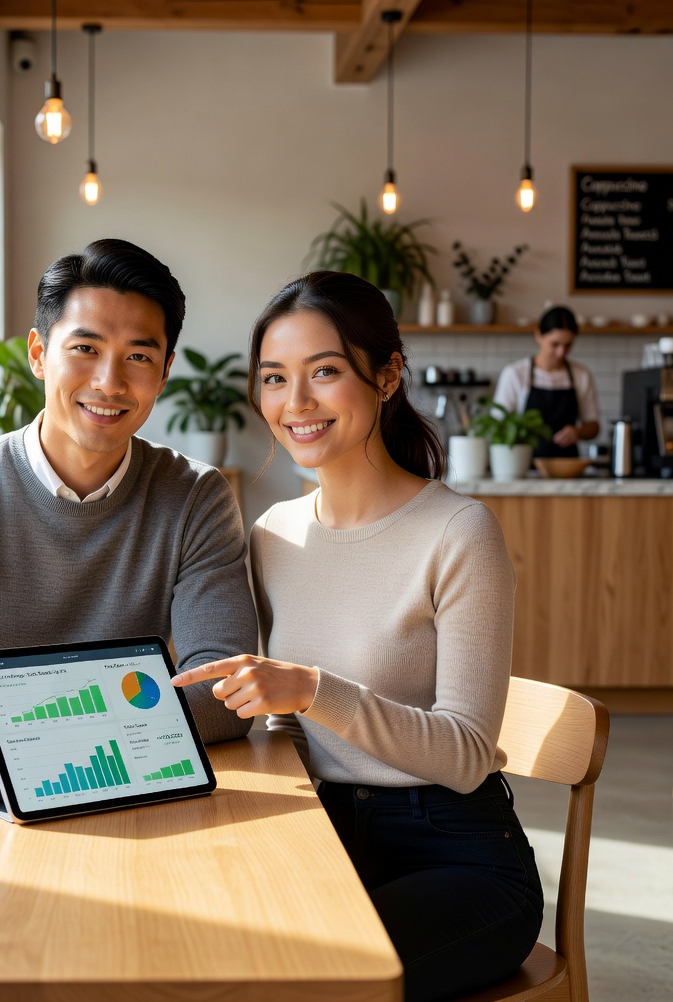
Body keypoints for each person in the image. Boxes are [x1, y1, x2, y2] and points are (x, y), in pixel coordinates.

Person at [172, 271, 543, 1002]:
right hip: (325, 837)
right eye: (274, 378)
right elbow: (285, 729)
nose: (295, 403)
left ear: (387, 375)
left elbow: (468, 754)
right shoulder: (271, 535)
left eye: (326, 372)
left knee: (310, 980)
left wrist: (313, 690)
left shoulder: (459, 533)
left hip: (457, 853)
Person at [0, 238, 257, 759]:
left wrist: (53, 731)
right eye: (85, 349)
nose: (110, 382)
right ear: (39, 354)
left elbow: (227, 689)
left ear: (165, 372)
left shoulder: (195, 498)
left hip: (129, 779)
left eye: (139, 356)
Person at [492, 305, 600, 457]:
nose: (561, 352)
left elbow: (593, 426)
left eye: (568, 345)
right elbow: (498, 424)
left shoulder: (581, 375)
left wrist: (578, 432)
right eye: (555, 344)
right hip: (525, 466)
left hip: (567, 466)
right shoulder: (515, 374)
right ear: (538, 335)